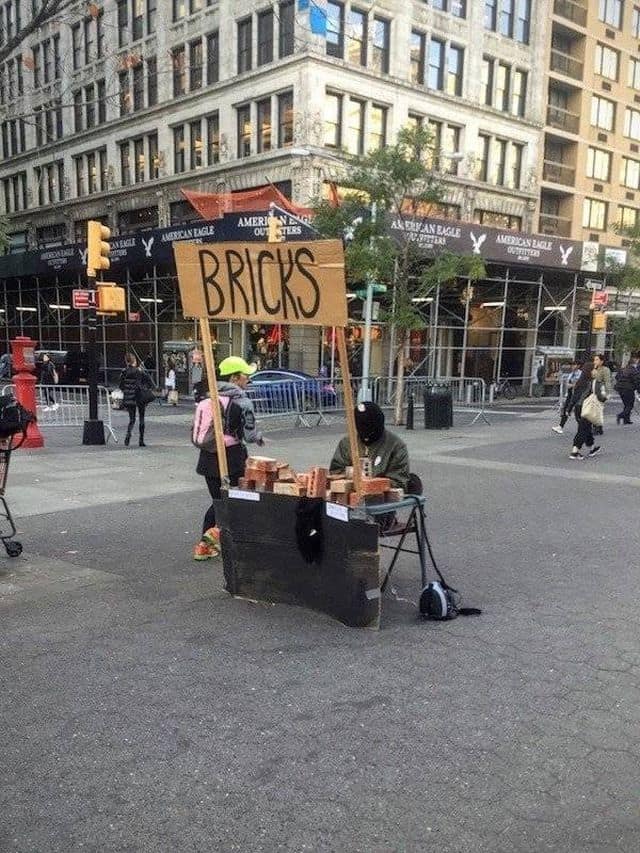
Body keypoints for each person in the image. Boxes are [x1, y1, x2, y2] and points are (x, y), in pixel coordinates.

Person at [193, 356, 264, 561]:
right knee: (236, 501)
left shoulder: (207, 399)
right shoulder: (241, 401)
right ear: (234, 378)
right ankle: (234, 543)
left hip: (207, 459)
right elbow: (249, 434)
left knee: (218, 502)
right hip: (232, 458)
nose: (248, 379)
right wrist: (258, 438)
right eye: (245, 375)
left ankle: (205, 545)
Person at [330, 401, 410, 490]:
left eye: (367, 426)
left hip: (382, 496)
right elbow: (335, 472)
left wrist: (373, 484)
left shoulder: (396, 446)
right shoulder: (347, 443)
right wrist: (351, 476)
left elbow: (398, 481)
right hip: (350, 492)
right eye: (361, 426)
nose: (364, 431)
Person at [568, 361, 607, 460]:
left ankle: (592, 447)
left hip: (578, 407)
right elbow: (601, 397)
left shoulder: (580, 381)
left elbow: (574, 396)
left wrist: (569, 409)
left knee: (585, 428)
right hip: (588, 408)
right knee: (583, 430)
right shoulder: (595, 382)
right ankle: (575, 451)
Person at [119, 352, 154, 447]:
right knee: (141, 418)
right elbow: (149, 382)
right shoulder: (139, 371)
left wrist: (127, 391)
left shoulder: (124, 372)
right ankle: (141, 440)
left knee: (132, 419)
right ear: (134, 360)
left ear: (126, 361)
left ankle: (128, 434)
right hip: (139, 396)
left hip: (129, 397)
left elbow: (121, 385)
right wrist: (145, 388)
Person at [552, 361, 581, 434]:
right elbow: (567, 382)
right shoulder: (571, 373)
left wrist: (572, 385)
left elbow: (579, 383)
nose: (572, 366)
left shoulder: (580, 374)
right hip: (570, 394)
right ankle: (560, 426)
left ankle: (583, 428)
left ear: (578, 366)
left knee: (578, 412)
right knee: (566, 409)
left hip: (576, 394)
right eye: (572, 365)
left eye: (574, 365)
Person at [614, 354, 640, 425]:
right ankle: (620, 415)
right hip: (628, 389)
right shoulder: (634, 370)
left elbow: (616, 377)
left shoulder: (623, 369)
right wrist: (638, 390)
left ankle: (626, 419)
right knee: (630, 405)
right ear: (634, 363)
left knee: (626, 404)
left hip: (620, 389)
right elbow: (637, 381)